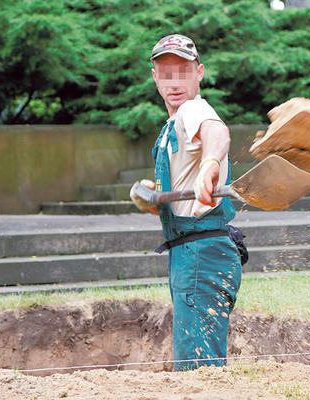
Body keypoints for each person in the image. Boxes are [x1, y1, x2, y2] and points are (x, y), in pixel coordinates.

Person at [130, 33, 243, 371]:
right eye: (166, 72)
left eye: (183, 70)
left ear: (199, 72)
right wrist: (154, 198)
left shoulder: (194, 109)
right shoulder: (172, 124)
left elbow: (216, 132)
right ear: (155, 77)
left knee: (199, 370)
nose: (174, 81)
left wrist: (211, 163)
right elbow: (179, 186)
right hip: (191, 252)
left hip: (202, 255)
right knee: (197, 361)